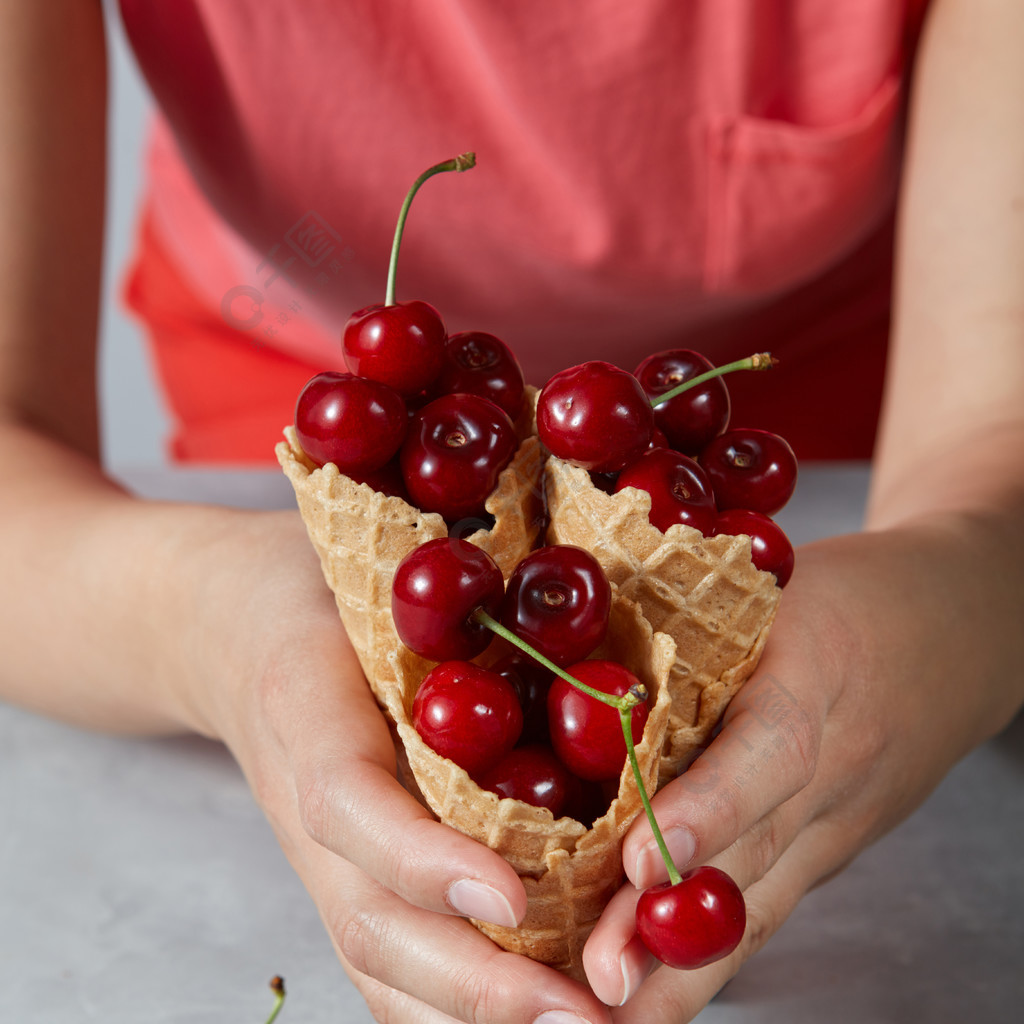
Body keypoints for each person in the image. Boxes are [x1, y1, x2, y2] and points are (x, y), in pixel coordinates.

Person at [1, 1, 1022, 1022]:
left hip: (793, 455)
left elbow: (996, 452)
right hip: (339, 424)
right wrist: (211, 620)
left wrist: (951, 608)